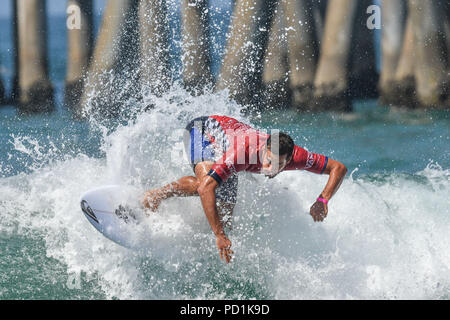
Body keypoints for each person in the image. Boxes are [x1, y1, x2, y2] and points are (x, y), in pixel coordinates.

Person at [143, 115, 347, 263]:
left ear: (289, 160)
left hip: (229, 143)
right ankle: (154, 197)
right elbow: (207, 189)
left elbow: (338, 168)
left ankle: (210, 244)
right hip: (202, 130)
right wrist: (219, 235)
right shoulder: (243, 153)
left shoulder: (296, 156)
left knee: (226, 219)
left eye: (278, 165)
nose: (269, 169)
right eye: (268, 161)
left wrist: (322, 200)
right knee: (205, 184)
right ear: (264, 150)